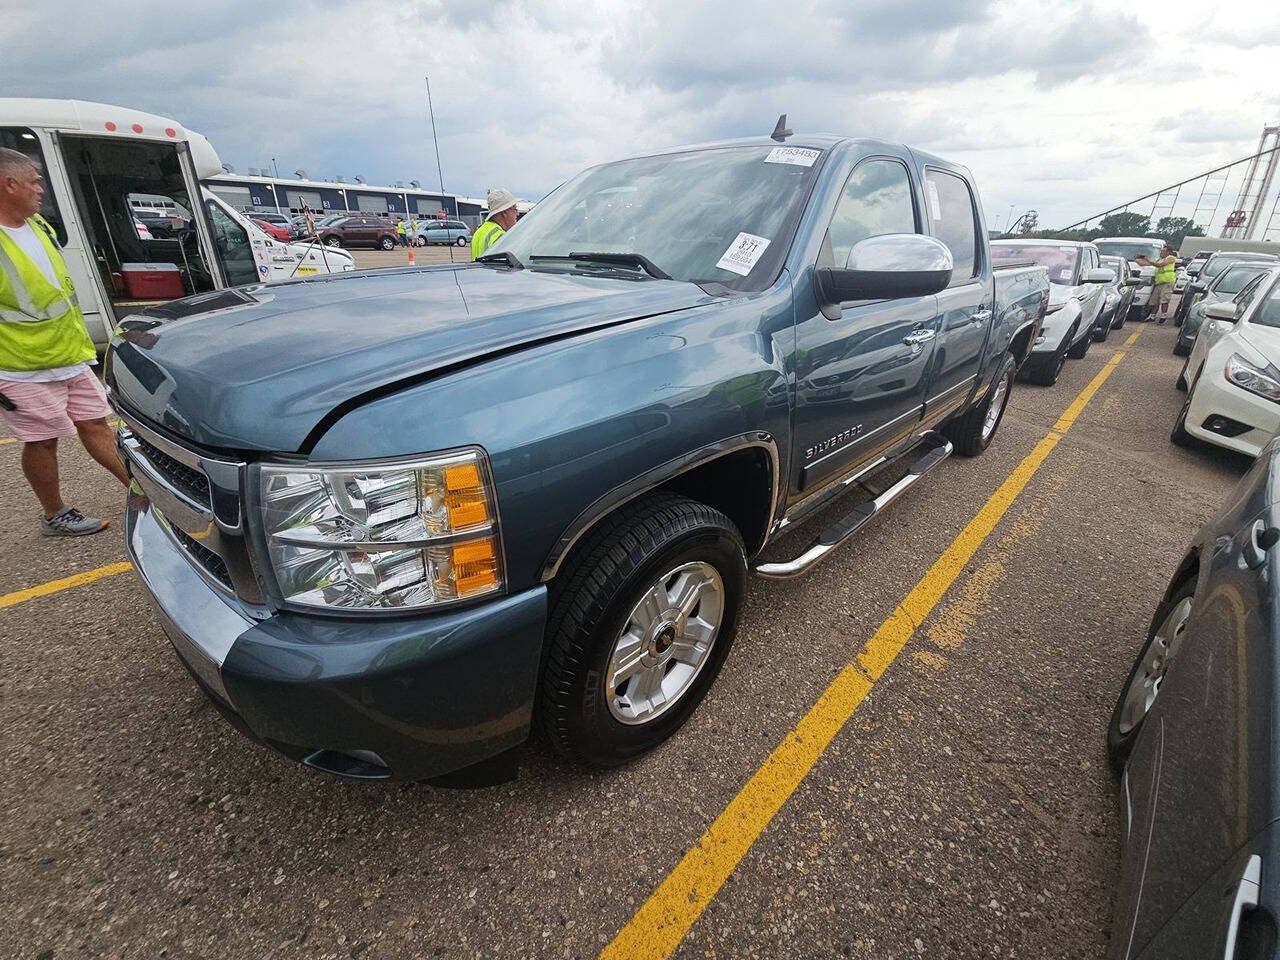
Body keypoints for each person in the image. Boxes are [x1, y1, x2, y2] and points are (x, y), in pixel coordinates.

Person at [0, 147, 129, 536]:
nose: (41, 189)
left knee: (98, 427)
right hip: (24, 365)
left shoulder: (39, 226)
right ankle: (54, 514)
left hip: (71, 354)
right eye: (34, 181)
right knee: (42, 442)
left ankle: (145, 494)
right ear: (9, 184)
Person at [471, 188, 519, 260]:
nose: (517, 213)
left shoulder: (478, 232)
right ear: (504, 212)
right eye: (514, 209)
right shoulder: (500, 236)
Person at [1137, 243, 1178, 324]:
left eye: (1163, 251)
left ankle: (1163, 316)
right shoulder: (1159, 259)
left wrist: (1148, 260)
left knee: (1164, 300)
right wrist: (1140, 260)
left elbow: (1159, 265)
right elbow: (1148, 265)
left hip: (1167, 282)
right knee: (1155, 301)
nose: (1161, 253)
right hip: (1159, 283)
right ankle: (1152, 316)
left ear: (1168, 252)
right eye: (1161, 251)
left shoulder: (1171, 258)